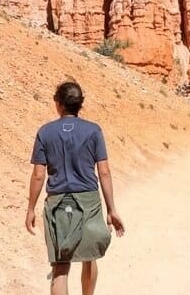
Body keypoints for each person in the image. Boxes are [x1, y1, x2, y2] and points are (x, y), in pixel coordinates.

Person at [26, 81, 125, 295]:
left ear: (59, 103)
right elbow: (104, 172)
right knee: (89, 258)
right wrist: (111, 209)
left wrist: (30, 209)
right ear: (80, 104)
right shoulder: (93, 131)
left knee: (60, 267)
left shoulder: (45, 132)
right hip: (88, 201)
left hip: (57, 203)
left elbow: (38, 174)